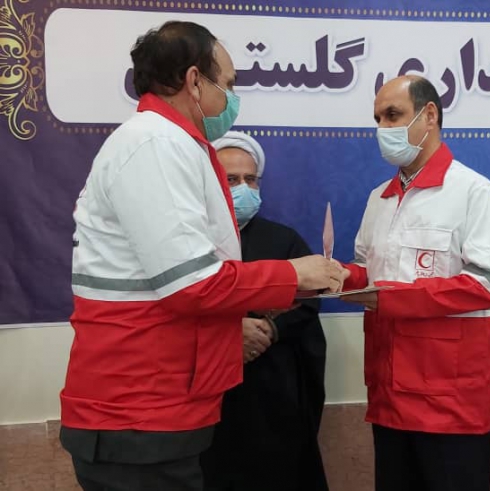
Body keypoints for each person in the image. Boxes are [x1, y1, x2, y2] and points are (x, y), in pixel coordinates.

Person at [60, 21, 345, 491]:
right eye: (227, 84)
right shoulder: (155, 144)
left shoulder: (175, 145)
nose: (232, 98)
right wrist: (292, 275)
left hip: (161, 408)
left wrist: (273, 302)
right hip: (138, 414)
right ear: (195, 81)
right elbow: (192, 284)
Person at [340, 75, 490, 491]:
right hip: (388, 395)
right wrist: (336, 277)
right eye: (378, 119)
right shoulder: (378, 198)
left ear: (429, 115)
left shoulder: (473, 191)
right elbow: (368, 271)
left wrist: (389, 298)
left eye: (393, 115)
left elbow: (488, 285)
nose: (383, 129)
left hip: (449, 402)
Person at [200, 131, 329, 491]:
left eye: (250, 179)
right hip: (208, 395)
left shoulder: (284, 239)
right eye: (231, 180)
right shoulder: (190, 241)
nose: (243, 188)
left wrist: (270, 329)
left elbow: (309, 300)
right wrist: (230, 333)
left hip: (272, 393)